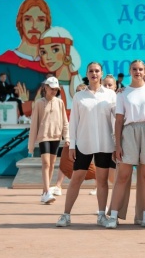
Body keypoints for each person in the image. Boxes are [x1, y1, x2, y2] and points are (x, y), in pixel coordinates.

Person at [105, 60, 145, 229]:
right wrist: (117, 145)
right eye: (134, 69)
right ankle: (113, 216)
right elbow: (118, 121)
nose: (137, 72)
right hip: (129, 132)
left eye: (140, 69)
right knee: (123, 176)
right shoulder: (122, 93)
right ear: (129, 71)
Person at [55, 62, 116, 227]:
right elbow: (73, 122)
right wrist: (72, 145)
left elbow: (115, 121)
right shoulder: (79, 96)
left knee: (102, 181)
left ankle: (102, 216)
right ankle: (66, 215)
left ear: (101, 73)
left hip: (105, 144)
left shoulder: (111, 95)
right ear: (87, 74)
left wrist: (116, 144)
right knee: (76, 179)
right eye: (91, 71)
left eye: (97, 71)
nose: (94, 73)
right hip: (83, 143)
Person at [0, 0, 51, 108]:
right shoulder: (1, 65)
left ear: (46, 24)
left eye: (41, 19)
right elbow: (1, 107)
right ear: (20, 22)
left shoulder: (51, 67)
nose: (34, 25)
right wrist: (31, 105)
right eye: (28, 19)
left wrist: (26, 104)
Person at [27, 76, 69, 204]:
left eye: (56, 89)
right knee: (45, 163)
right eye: (51, 88)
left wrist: (67, 137)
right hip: (43, 136)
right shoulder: (39, 103)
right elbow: (34, 124)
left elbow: (65, 121)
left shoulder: (60, 102)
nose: (54, 91)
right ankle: (46, 192)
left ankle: (45, 191)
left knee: (51, 164)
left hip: (56, 136)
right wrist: (31, 145)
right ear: (45, 87)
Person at [50, 82, 88, 197]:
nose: (78, 94)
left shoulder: (89, 106)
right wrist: (69, 138)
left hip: (87, 140)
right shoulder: (74, 106)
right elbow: (70, 124)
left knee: (91, 168)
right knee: (64, 160)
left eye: (80, 91)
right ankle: (58, 186)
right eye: (77, 91)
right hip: (73, 139)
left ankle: (98, 185)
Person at [38, 26, 81, 110]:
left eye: (55, 50)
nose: (48, 57)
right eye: (43, 52)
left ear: (67, 50)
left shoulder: (80, 87)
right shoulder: (45, 88)